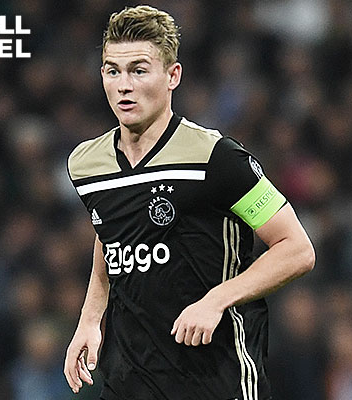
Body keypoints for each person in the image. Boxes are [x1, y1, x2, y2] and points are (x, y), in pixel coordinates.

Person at [64, 5, 315, 400]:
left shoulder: (217, 158)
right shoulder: (86, 164)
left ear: (173, 76)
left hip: (215, 379)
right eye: (113, 71)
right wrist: (90, 319)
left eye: (139, 70)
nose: (124, 85)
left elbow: (297, 249)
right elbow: (109, 233)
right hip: (130, 381)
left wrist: (217, 299)